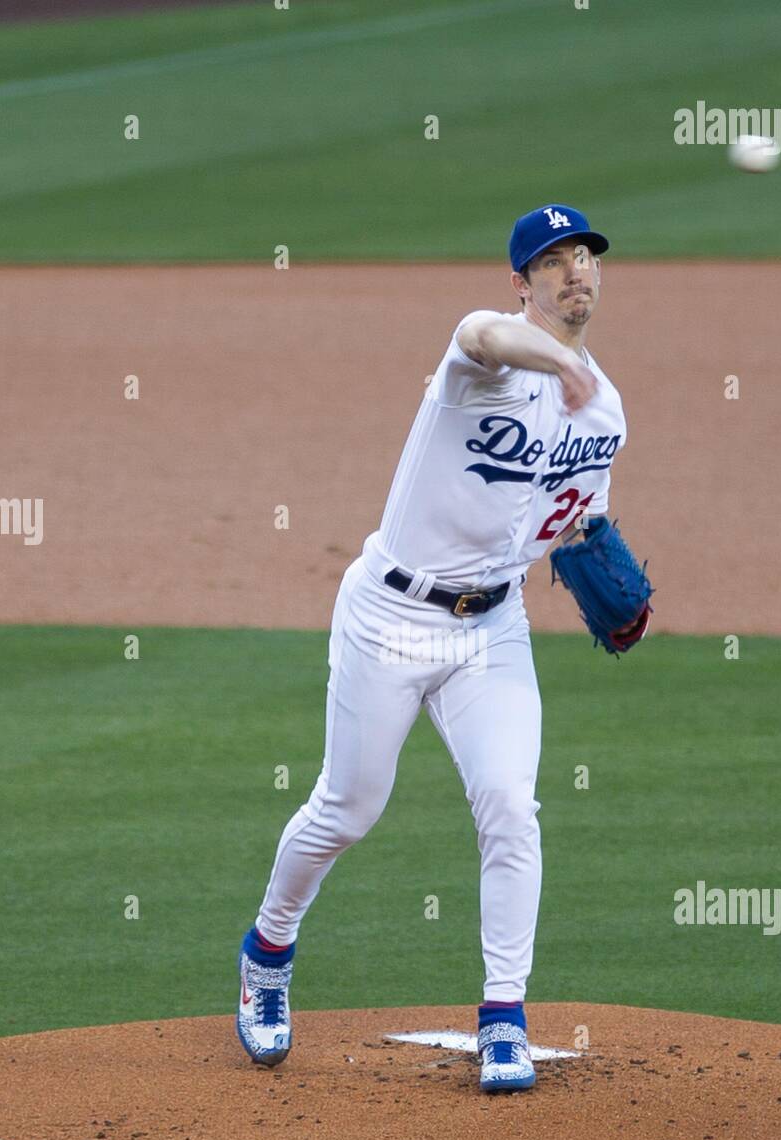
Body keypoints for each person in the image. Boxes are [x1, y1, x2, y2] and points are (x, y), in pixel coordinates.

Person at [238, 205, 629, 1093]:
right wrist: (559, 357)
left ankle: (503, 1019)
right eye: (555, 260)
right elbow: (478, 331)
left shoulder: (602, 408)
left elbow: (577, 524)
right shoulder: (480, 363)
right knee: (349, 808)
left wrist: (597, 565)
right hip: (388, 616)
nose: (577, 273)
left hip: (492, 630)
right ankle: (268, 949)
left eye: (587, 259)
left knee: (510, 807)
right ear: (522, 281)